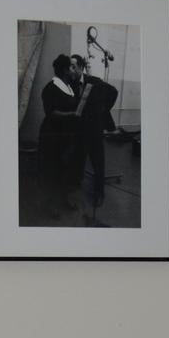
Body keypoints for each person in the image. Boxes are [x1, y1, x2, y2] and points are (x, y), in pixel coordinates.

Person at [70, 56, 120, 223]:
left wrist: (103, 110)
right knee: (79, 159)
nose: (70, 70)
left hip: (94, 130)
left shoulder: (95, 82)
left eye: (73, 66)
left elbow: (113, 92)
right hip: (79, 131)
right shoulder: (69, 84)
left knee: (98, 163)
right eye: (69, 66)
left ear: (81, 68)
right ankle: (76, 189)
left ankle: (99, 194)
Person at [37, 54, 81, 219]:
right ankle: (51, 205)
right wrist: (72, 115)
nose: (72, 69)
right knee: (52, 171)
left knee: (65, 170)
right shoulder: (51, 87)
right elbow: (51, 113)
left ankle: (64, 200)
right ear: (63, 69)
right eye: (70, 67)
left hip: (66, 136)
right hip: (52, 135)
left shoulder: (70, 86)